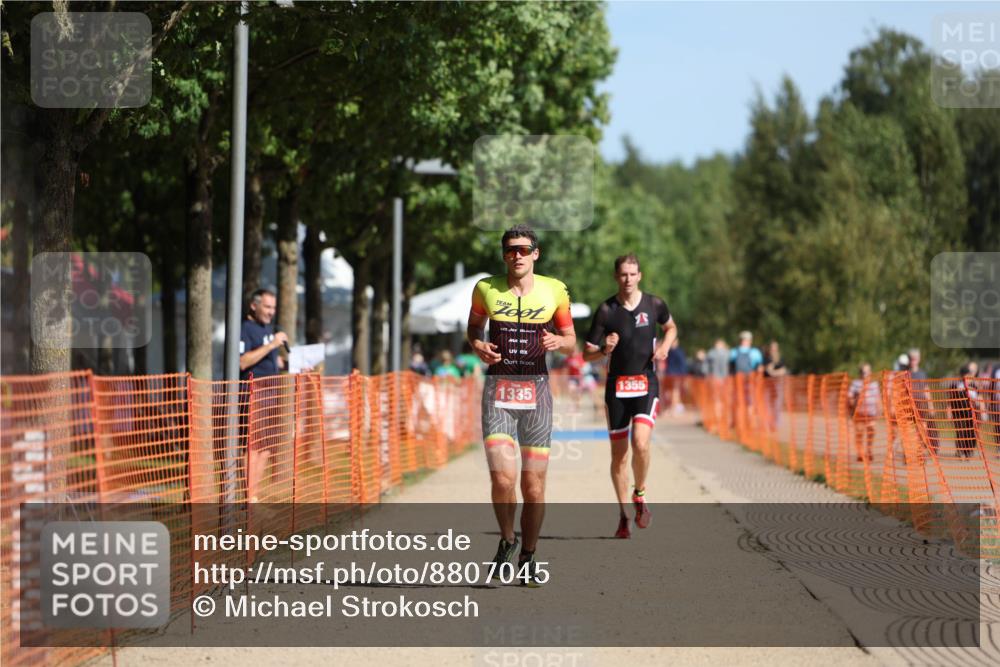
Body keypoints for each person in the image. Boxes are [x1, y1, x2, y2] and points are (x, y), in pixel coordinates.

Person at [466, 223, 576, 587]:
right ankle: (508, 539)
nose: (518, 255)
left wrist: (561, 342)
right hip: (498, 390)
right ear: (504, 255)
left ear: (536, 254)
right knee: (502, 478)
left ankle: (529, 554)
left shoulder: (554, 290)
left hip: (538, 391)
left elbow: (571, 337)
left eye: (524, 249)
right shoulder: (485, 288)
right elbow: (474, 330)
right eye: (511, 249)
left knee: (533, 485)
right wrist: (477, 345)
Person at [583, 253, 677, 539]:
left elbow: (670, 327)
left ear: (640, 276)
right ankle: (624, 514)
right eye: (623, 274)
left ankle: (640, 492)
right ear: (616, 277)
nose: (628, 279)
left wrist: (665, 346)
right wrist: (604, 349)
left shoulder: (654, 304)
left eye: (632, 274)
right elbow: (586, 353)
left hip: (646, 383)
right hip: (616, 389)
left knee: (641, 443)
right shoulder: (607, 310)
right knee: (619, 456)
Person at [239, 288, 287, 503]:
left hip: (272, 391)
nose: (271, 312)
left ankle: (254, 494)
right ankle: (247, 497)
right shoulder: (245, 329)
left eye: (273, 307)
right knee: (253, 445)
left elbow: (272, 362)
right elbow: (243, 361)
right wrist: (272, 345)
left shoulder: (268, 329)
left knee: (266, 445)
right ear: (254, 305)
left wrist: (294, 364)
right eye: (267, 307)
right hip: (254, 392)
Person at [948, 362, 982, 458]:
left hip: (972, 414)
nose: (967, 377)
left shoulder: (974, 387)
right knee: (961, 432)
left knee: (971, 433)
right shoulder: (956, 386)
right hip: (959, 414)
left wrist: (981, 410)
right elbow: (950, 400)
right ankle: (961, 450)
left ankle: (968, 451)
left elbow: (979, 398)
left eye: (968, 375)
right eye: (965, 375)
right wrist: (949, 411)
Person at [848, 363, 879, 462]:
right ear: (860, 373)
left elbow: (878, 399)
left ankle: (869, 450)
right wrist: (856, 399)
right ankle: (860, 453)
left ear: (870, 372)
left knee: (871, 430)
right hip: (859, 414)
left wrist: (879, 411)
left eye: (867, 371)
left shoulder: (874, 385)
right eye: (863, 371)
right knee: (859, 433)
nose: (865, 373)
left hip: (871, 414)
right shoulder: (855, 384)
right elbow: (849, 399)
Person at [763, 340, 788, 431]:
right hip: (767, 384)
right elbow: (768, 371)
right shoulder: (766, 358)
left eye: (775, 347)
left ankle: (775, 423)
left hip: (778, 384)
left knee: (777, 404)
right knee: (767, 404)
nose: (774, 349)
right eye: (772, 347)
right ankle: (768, 423)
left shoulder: (780, 358)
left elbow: (783, 371)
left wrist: (774, 372)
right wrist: (775, 372)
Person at [664, 338, 687, 415]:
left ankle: (674, 409)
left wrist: (682, 375)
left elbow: (682, 365)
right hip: (669, 375)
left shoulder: (679, 352)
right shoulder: (669, 351)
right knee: (670, 392)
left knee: (675, 392)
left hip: (676, 375)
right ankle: (672, 408)